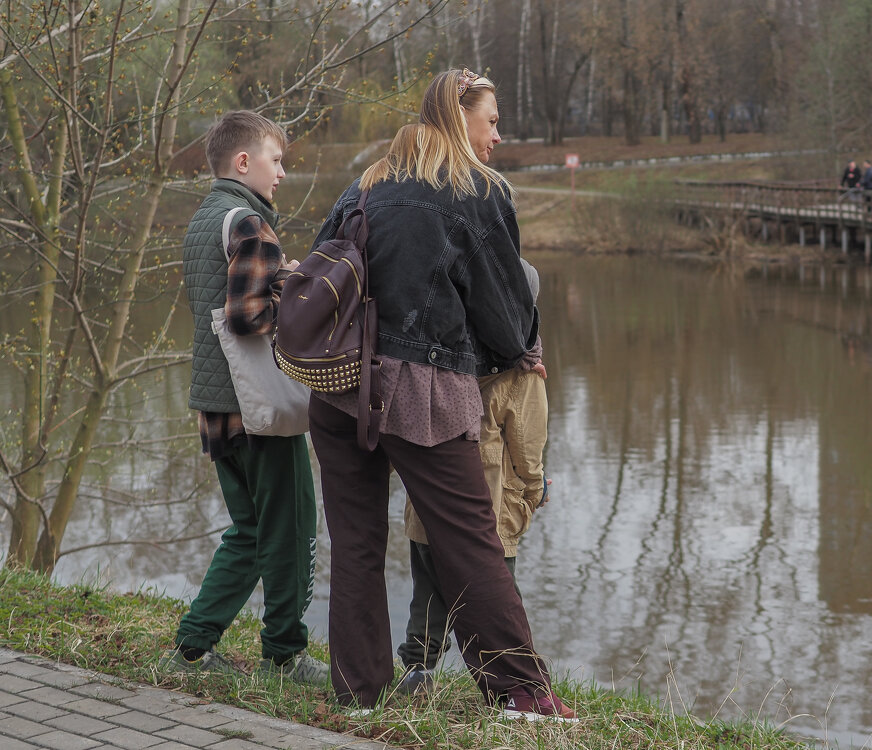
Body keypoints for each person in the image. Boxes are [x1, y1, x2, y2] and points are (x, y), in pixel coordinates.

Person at [306, 68, 576, 721]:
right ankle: (520, 693)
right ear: (462, 120)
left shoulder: (365, 184)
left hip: (339, 387)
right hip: (423, 392)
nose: (497, 134)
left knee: (358, 541)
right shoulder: (477, 191)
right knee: (470, 540)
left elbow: (324, 272)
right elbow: (509, 326)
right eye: (491, 120)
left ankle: (358, 695)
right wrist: (514, 355)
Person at [163, 111, 328, 687]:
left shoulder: (203, 219)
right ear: (243, 162)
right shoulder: (250, 224)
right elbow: (247, 316)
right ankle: (284, 654)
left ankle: (192, 644)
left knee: (249, 529)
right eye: (275, 160)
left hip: (214, 401)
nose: (281, 172)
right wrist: (297, 290)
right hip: (257, 405)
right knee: (291, 528)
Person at [398, 258, 550, 692]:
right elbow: (528, 450)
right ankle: (516, 682)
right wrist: (535, 491)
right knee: (498, 598)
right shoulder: (521, 374)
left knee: (428, 595)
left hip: (428, 506)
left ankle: (418, 671)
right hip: (488, 515)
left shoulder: (433, 354)